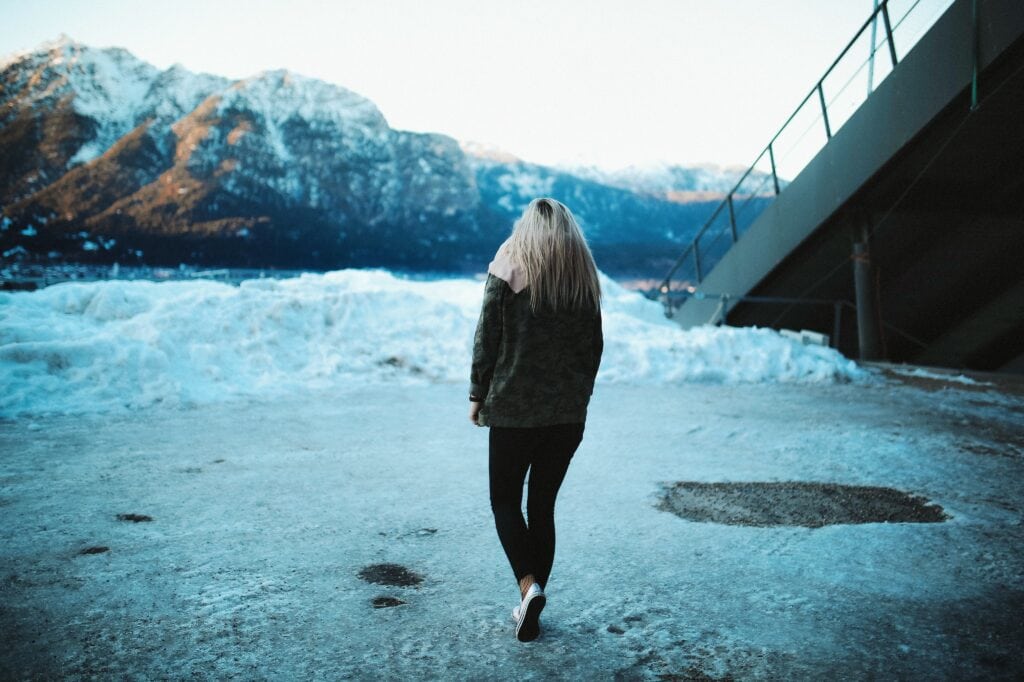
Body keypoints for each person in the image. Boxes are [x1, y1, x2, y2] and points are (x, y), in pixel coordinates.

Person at [468, 197, 603, 642]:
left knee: (504, 501)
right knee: (541, 506)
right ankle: (533, 608)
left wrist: (477, 392)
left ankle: (528, 588)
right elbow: (593, 349)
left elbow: (489, 335)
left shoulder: (509, 263)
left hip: (513, 409)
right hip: (566, 417)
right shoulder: (582, 275)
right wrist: (579, 396)